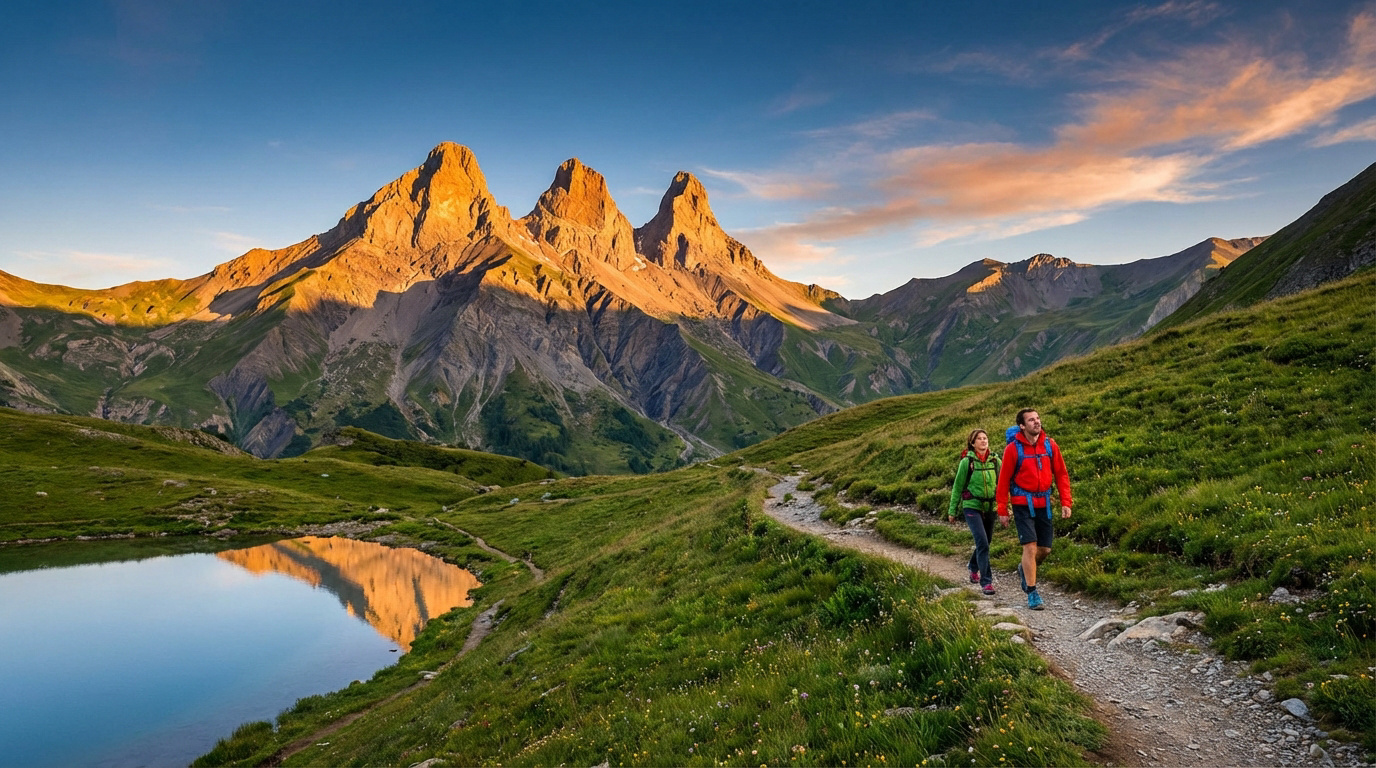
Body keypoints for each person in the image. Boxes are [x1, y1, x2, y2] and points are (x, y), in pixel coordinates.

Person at [995, 409, 1072, 611]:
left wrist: (1066, 502)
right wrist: (1002, 509)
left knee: (1044, 550)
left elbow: (1061, 474)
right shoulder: (1013, 449)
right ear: (1022, 425)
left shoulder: (1050, 445)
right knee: (1029, 547)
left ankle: (1024, 568)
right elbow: (1003, 481)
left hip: (1044, 504)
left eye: (1037, 419)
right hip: (1022, 504)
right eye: (1031, 420)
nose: (1036, 422)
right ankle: (1032, 592)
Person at [948, 428, 1006, 595]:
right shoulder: (967, 462)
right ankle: (986, 582)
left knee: (986, 542)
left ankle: (973, 566)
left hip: (990, 507)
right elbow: (958, 487)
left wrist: (1005, 506)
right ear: (973, 443)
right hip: (971, 506)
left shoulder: (995, 461)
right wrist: (952, 510)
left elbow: (1003, 484)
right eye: (979, 439)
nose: (983, 441)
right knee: (982, 543)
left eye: (985, 438)